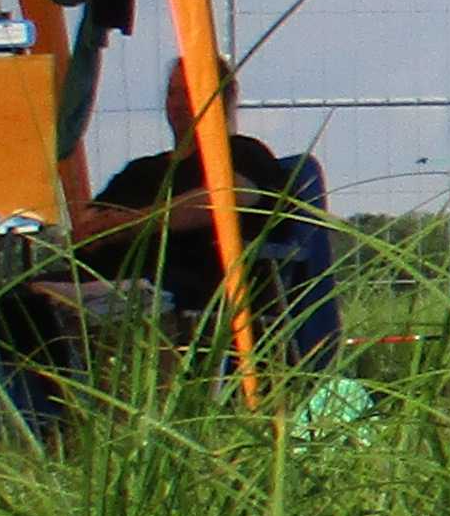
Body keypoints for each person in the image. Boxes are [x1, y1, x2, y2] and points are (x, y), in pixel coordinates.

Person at [81, 62, 343, 362]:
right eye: (172, 93)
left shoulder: (244, 154)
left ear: (225, 98)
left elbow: (224, 197)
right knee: (26, 305)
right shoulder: (139, 171)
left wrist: (130, 224)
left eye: (190, 92)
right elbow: (88, 221)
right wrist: (94, 229)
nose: (178, 103)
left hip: (186, 294)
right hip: (98, 288)